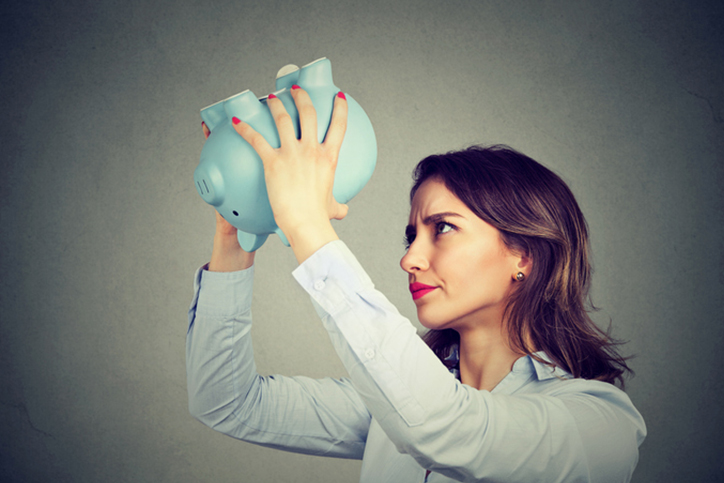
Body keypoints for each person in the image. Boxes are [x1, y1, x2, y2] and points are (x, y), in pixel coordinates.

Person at [186, 85, 646, 482]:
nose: (409, 259)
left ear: (523, 254)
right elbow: (228, 401)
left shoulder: (601, 428)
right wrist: (236, 231)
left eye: (442, 228)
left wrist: (307, 224)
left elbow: (441, 425)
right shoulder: (389, 404)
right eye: (411, 236)